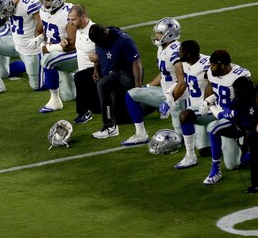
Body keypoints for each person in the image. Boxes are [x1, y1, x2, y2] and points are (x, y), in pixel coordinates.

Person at [121, 18, 186, 146]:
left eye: (160, 33)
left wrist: (169, 101)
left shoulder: (175, 52)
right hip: (165, 92)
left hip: (178, 97)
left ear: (169, 34)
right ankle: (141, 134)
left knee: (181, 139)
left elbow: (182, 81)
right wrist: (149, 86)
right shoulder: (162, 48)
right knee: (132, 94)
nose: (157, 36)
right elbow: (164, 73)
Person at [201, 50, 252, 185]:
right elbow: (219, 93)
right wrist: (207, 101)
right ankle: (191, 152)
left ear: (222, 65)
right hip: (220, 111)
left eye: (213, 65)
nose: (210, 68)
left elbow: (241, 105)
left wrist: (210, 105)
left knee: (213, 129)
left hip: (237, 117)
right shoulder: (213, 73)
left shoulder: (240, 76)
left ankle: (215, 170)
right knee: (187, 115)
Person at [0, 0, 44, 95]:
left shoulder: (28, 3)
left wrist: (39, 37)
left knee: (36, 86)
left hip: (31, 48)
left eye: (5, 11)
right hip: (15, 42)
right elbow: (1, 19)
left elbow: (45, 22)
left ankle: (53, 71)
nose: (4, 14)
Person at [89, 23, 143, 139]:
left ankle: (110, 127)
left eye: (98, 42)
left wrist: (137, 86)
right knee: (122, 117)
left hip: (126, 76)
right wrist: (96, 70)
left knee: (103, 85)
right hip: (112, 77)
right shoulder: (100, 38)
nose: (97, 44)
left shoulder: (124, 40)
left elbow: (136, 61)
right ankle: (155, 103)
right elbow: (98, 56)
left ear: (104, 34)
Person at [38, 0, 77, 113]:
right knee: (70, 97)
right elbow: (39, 29)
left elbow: (72, 45)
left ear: (58, 0)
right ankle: (74, 78)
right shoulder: (43, 11)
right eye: (44, 0)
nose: (45, 3)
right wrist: (39, 39)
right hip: (59, 51)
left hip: (76, 52)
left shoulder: (69, 14)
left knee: (47, 61)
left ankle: (55, 101)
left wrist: (50, 48)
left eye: (49, 0)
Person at [174, 40, 212, 169]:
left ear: (189, 54)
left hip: (207, 108)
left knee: (185, 116)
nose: (179, 53)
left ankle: (190, 156)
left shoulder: (207, 64)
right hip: (195, 107)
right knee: (204, 151)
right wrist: (169, 97)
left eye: (181, 51)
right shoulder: (186, 64)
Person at [68, 4, 99, 124]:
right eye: (69, 19)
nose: (71, 22)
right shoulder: (78, 29)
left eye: (74, 19)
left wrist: (96, 67)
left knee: (78, 78)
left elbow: (106, 53)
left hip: (95, 71)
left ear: (84, 17)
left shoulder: (95, 31)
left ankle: (84, 112)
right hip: (84, 70)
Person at [228, 77, 258, 193]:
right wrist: (243, 133)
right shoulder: (237, 102)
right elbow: (235, 119)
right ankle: (256, 184)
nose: (235, 93)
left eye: (236, 91)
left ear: (245, 90)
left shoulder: (256, 95)